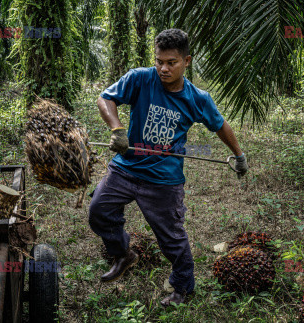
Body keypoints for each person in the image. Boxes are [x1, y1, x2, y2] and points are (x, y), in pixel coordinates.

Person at [88, 28, 248, 307]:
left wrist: (239, 155)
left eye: (171, 62)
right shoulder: (140, 78)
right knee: (99, 211)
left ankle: (182, 288)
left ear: (187, 61)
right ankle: (123, 253)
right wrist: (116, 128)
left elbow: (220, 125)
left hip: (164, 179)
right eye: (159, 61)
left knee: (172, 240)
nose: (163, 68)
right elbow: (105, 98)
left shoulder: (197, 98)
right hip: (126, 167)